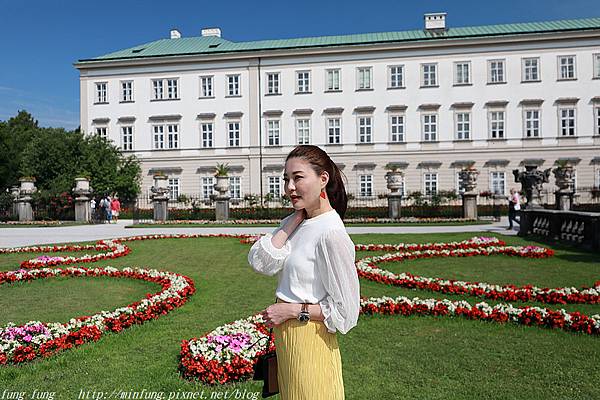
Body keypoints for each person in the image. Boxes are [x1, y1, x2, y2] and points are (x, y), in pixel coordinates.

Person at [248, 145, 360, 400]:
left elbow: (346, 312)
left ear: (323, 179)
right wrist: (290, 224)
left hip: (311, 339)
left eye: (298, 177)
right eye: (286, 179)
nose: (289, 187)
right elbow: (260, 262)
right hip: (288, 341)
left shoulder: (331, 233)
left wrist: (290, 310)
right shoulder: (299, 223)